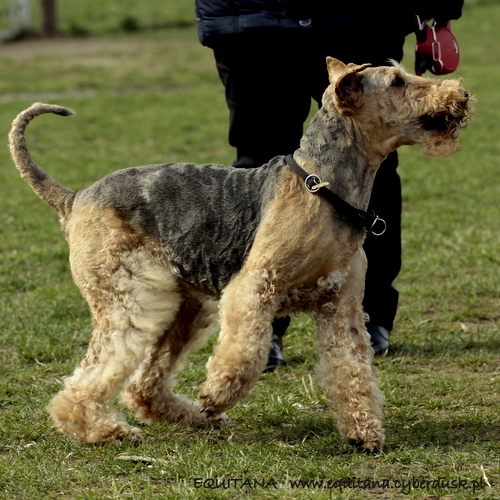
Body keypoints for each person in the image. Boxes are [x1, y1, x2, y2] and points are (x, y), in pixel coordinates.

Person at [195, 1, 464, 370]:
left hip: (357, 17)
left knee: (373, 161)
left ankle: (367, 317)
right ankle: (260, 326)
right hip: (251, 23)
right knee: (258, 165)